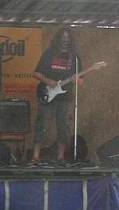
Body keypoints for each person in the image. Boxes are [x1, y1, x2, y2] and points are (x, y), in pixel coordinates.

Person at [30, 27, 81, 165]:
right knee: (43, 125)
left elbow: (80, 79)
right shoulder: (49, 54)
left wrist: (77, 79)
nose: (65, 41)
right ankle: (35, 156)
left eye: (67, 38)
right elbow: (36, 73)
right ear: (58, 39)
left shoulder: (74, 57)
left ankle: (60, 157)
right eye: (63, 38)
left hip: (64, 97)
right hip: (47, 94)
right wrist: (49, 82)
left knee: (62, 127)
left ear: (71, 40)